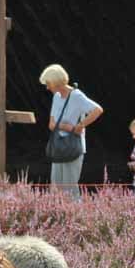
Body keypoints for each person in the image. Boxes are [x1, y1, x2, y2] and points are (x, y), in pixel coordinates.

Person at [40, 64, 103, 201]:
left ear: (56, 81)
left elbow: (97, 110)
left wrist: (80, 125)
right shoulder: (56, 97)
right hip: (58, 146)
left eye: (48, 83)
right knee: (56, 186)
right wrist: (66, 127)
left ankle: (75, 218)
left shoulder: (76, 96)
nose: (47, 87)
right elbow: (52, 124)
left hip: (73, 147)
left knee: (69, 187)